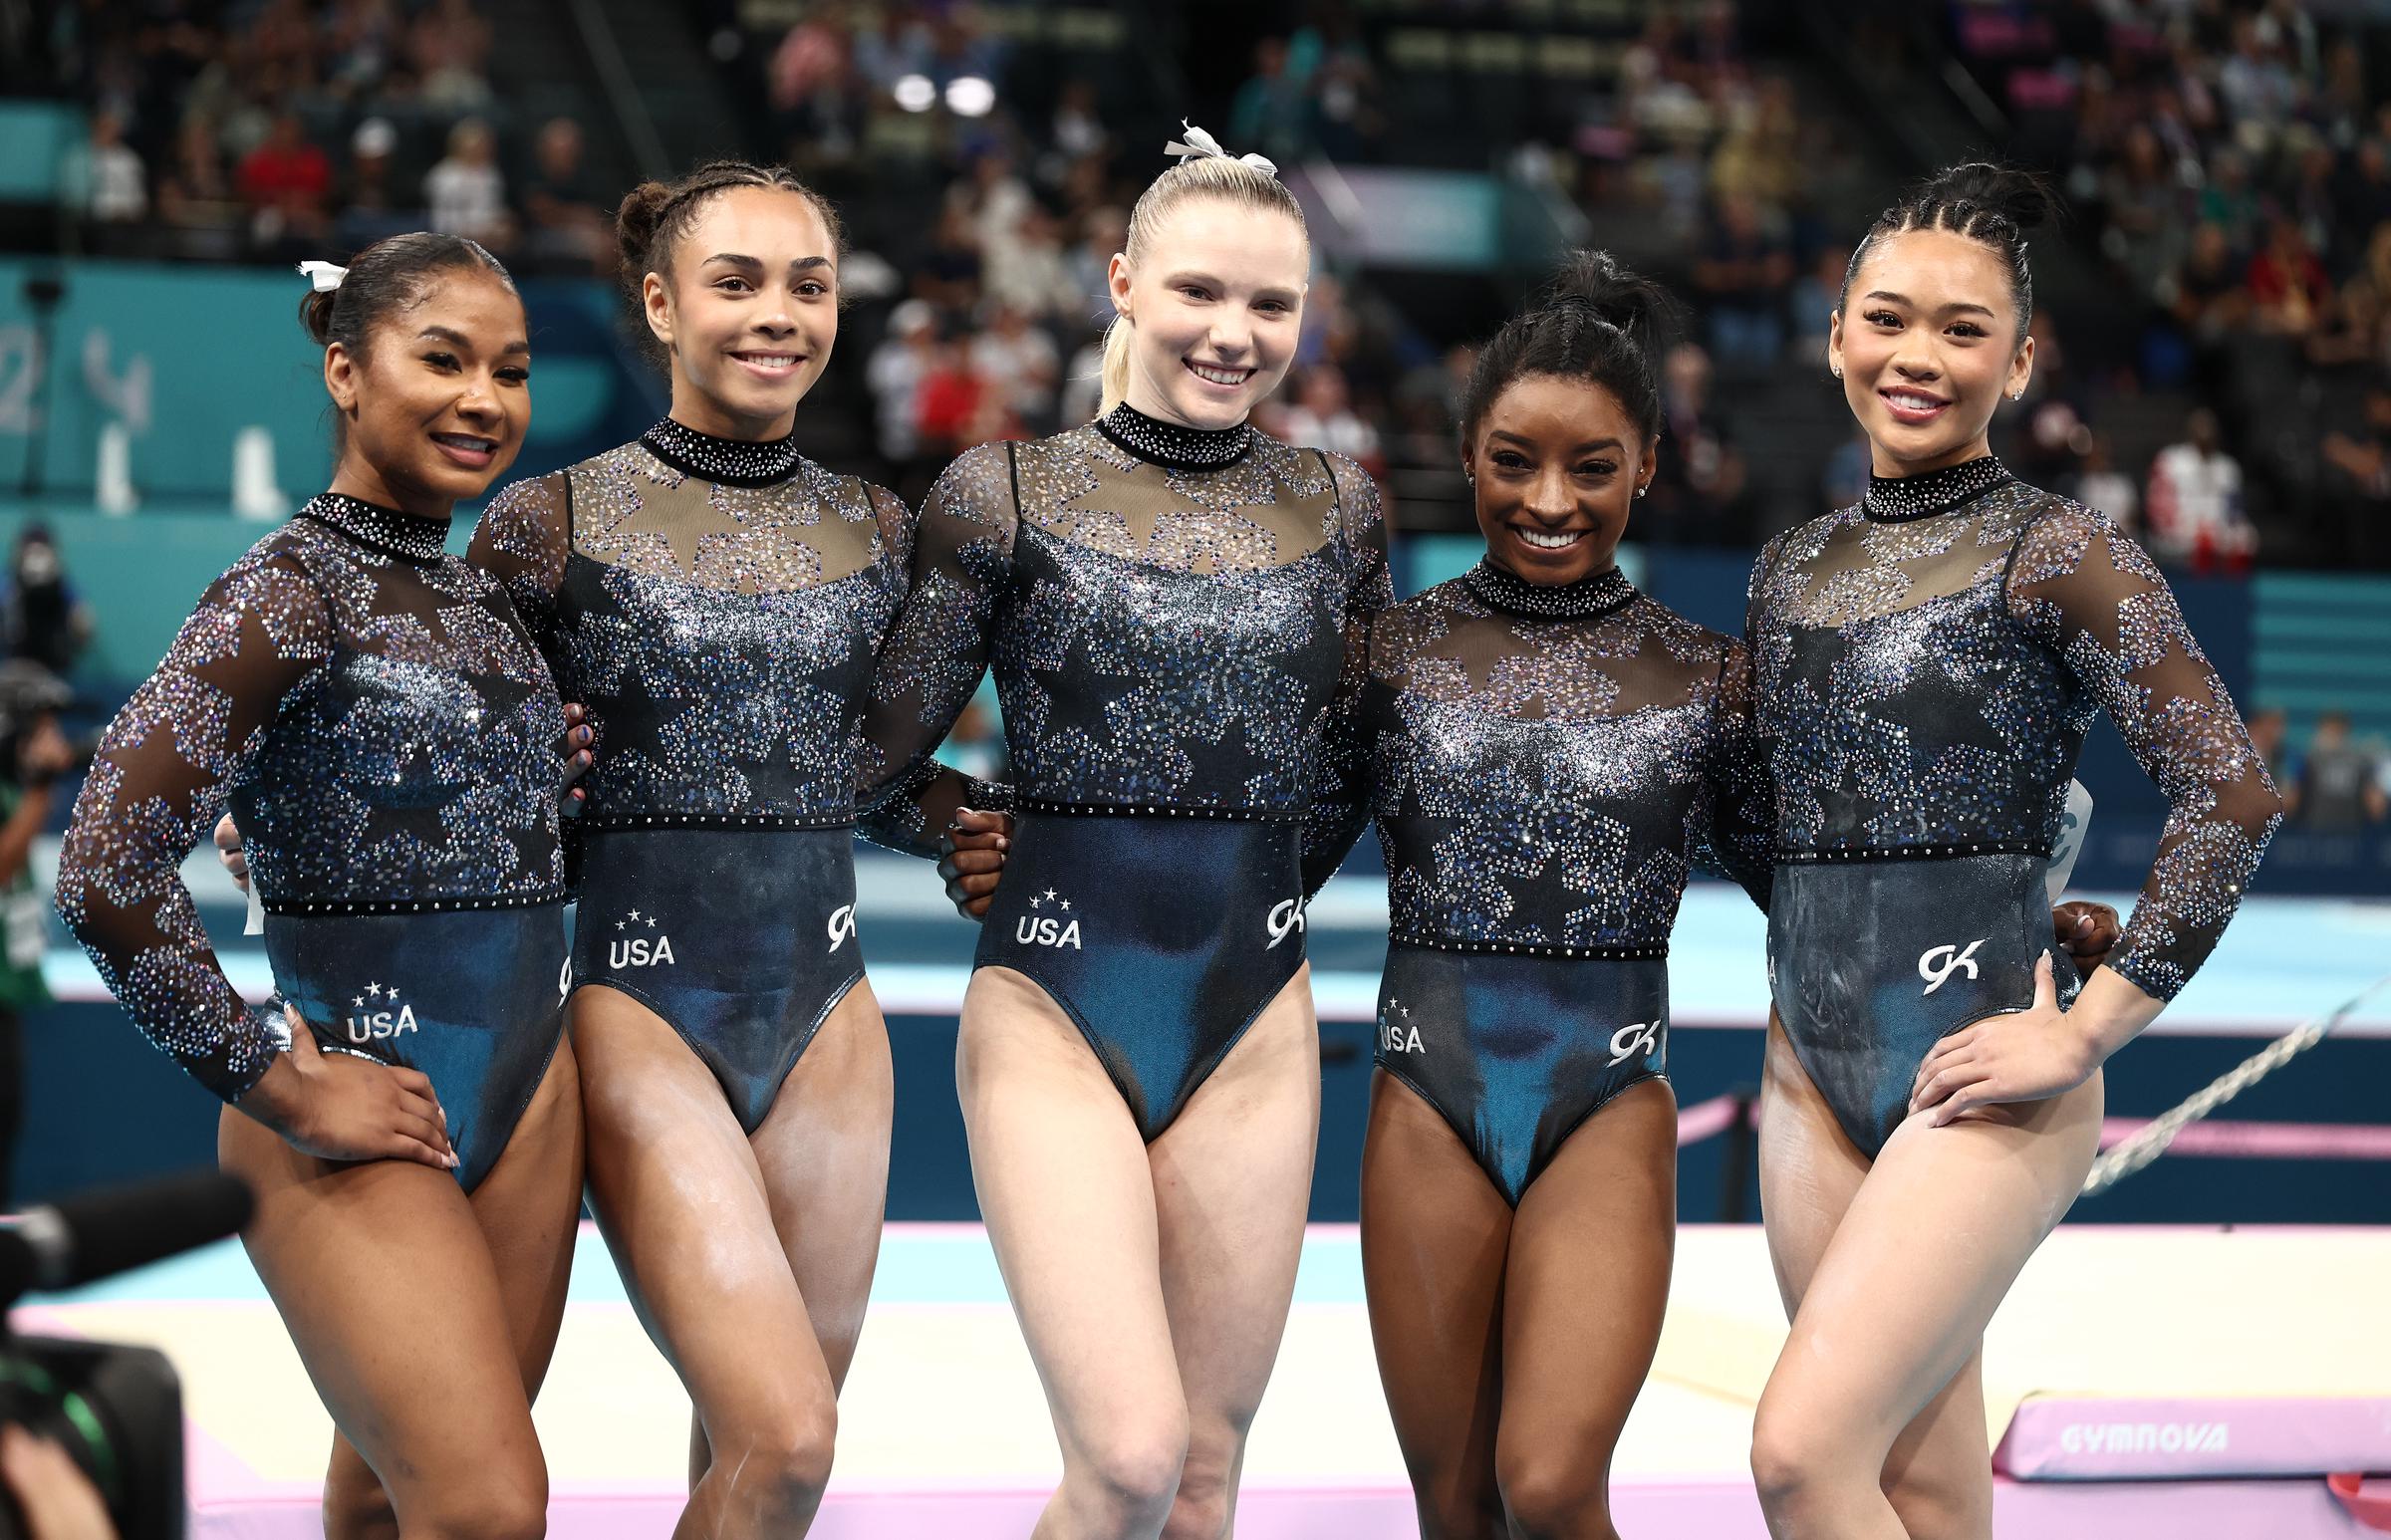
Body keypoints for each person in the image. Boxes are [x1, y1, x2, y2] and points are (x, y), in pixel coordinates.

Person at [862, 125, 1389, 1539]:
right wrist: (962, 832)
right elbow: (870, 756)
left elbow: (1352, 763)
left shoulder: (1340, 507)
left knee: (1208, 1475)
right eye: (1202, 293)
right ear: (1123, 283)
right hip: (1054, 1002)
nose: (1236, 333)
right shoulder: (1005, 494)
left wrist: (1265, 896)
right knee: (1130, 1458)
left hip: (1254, 1016)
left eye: (1271, 305)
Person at [1745, 164, 2281, 1539]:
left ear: (2021, 356)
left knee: (1802, 1459)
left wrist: (2085, 1032)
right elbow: (1786, 828)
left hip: (1982, 1077)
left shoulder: (2058, 551)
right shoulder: (1788, 566)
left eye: (1963, 328)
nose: (1917, 355)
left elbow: (2228, 791)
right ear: (1835, 331)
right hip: (1809, 1077)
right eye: (1887, 317)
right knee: (1916, 1478)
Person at [468, 159, 982, 1540]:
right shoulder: (549, 521)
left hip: (831, 1019)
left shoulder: (879, 528)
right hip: (642, 1009)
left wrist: (961, 826)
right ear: (660, 302)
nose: (778, 313)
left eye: (806, 284)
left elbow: (865, 777)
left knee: (754, 1465)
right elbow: (466, 746)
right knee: (789, 1434)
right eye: (737, 281)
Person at [56, 232, 589, 1540]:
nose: (484, 399)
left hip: (531, 1093)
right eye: (443, 359)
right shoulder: (280, 596)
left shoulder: (489, 603)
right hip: (349, 1094)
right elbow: (104, 863)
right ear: (347, 372)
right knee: (488, 1506)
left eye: (511, 370)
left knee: (381, 1494)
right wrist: (278, 1079)